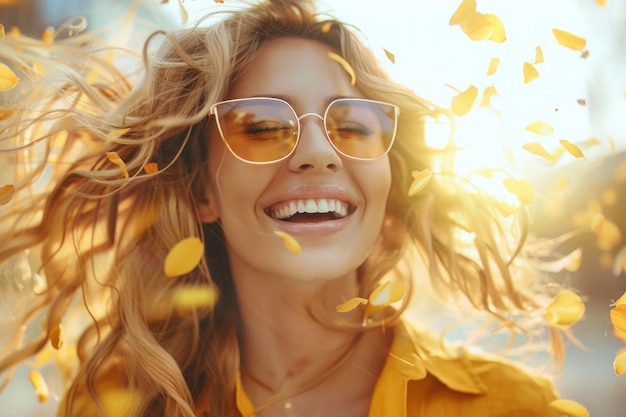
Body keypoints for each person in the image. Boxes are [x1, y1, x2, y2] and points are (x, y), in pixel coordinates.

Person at [0, 0, 568, 416]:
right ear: (201, 190)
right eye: (264, 126)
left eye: (353, 124)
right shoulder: (118, 405)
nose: (319, 152)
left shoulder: (513, 406)